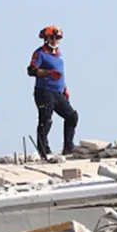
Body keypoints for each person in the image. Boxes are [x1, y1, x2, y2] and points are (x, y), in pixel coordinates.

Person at [28, 25, 78, 159]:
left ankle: (68, 147)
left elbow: (61, 73)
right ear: (46, 38)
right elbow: (31, 71)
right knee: (46, 119)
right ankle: (43, 149)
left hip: (58, 92)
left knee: (72, 116)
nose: (55, 40)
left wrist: (65, 88)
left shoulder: (59, 54)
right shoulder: (40, 53)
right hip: (44, 91)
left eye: (58, 38)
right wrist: (48, 73)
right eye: (52, 37)